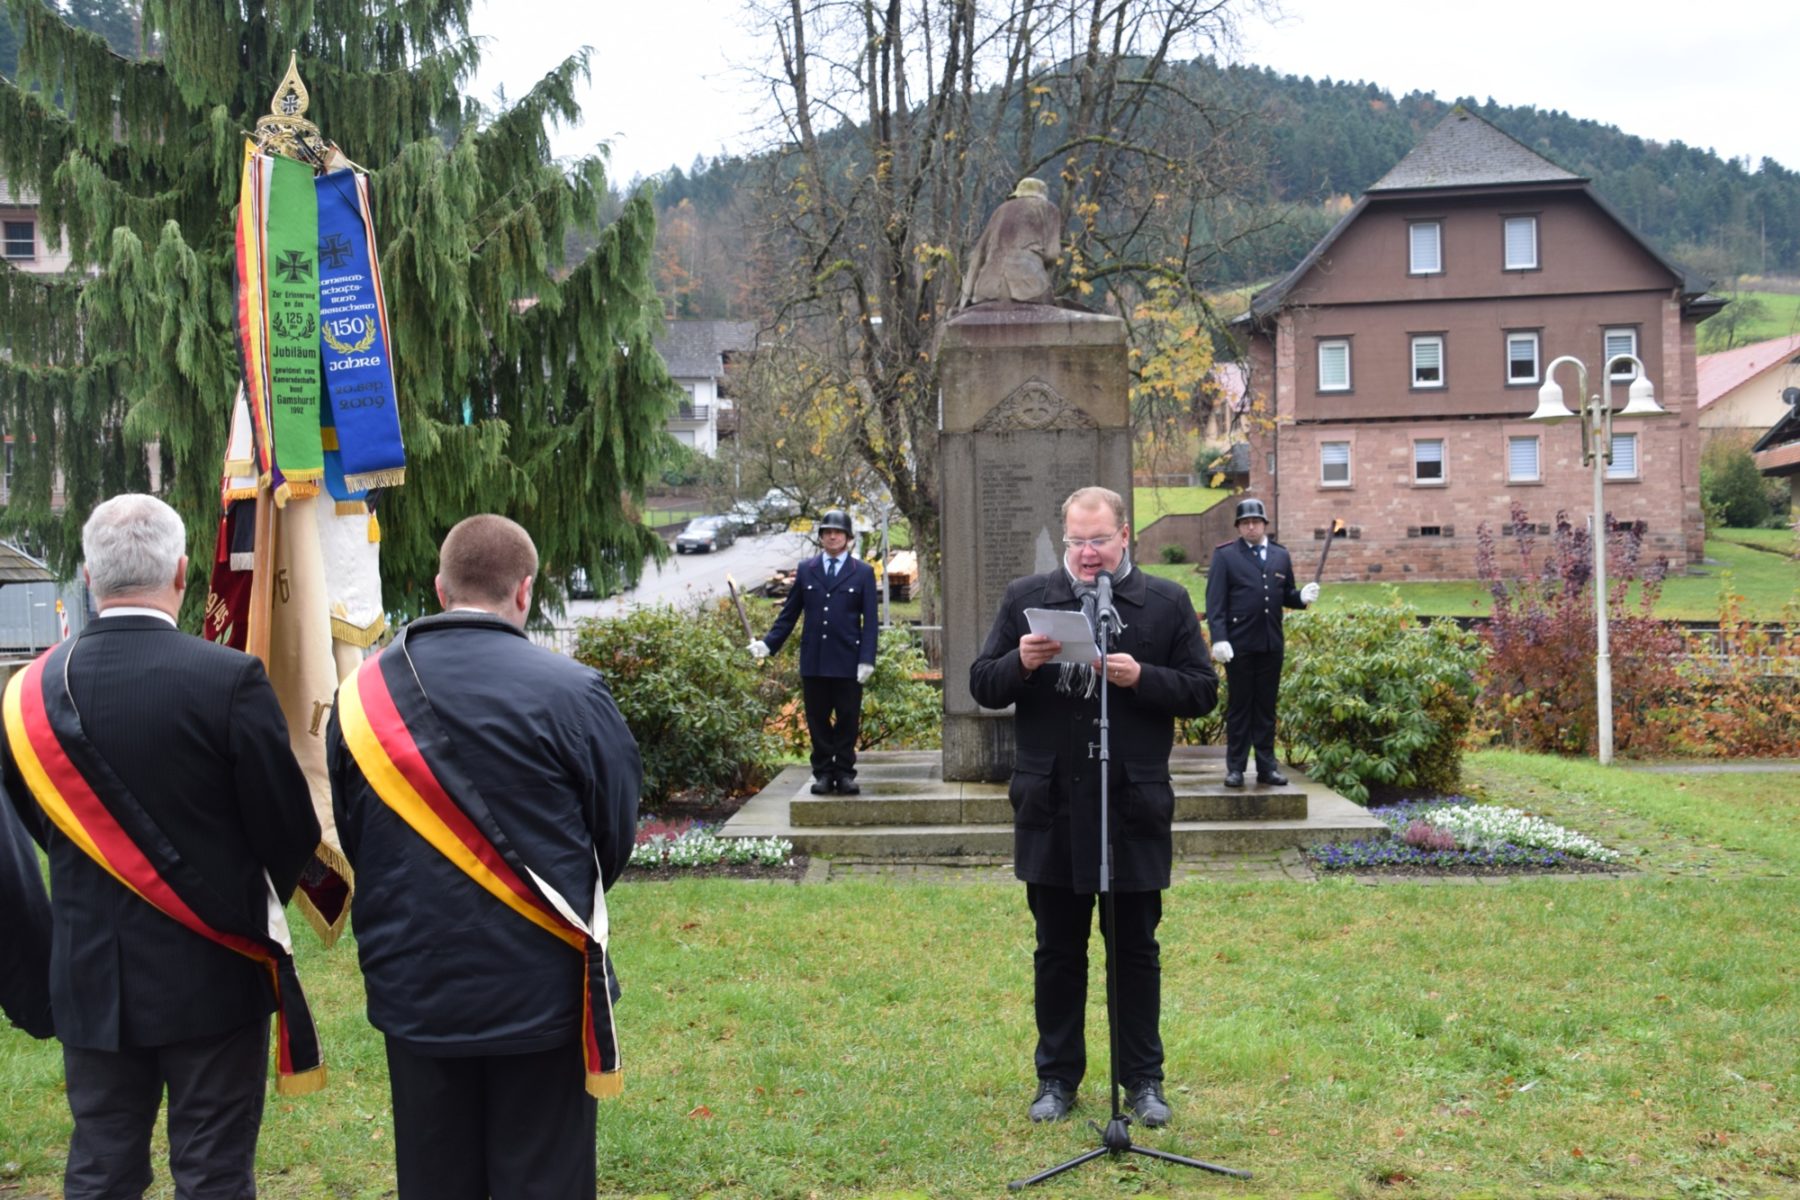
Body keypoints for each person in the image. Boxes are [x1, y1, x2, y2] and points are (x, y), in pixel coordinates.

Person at [1, 493, 321, 1200]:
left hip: (91, 976)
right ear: (182, 573)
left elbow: (40, 821)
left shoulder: (25, 695)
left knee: (101, 1170)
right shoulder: (229, 679)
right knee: (213, 1174)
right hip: (214, 975)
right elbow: (289, 831)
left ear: (89, 577)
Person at [328, 514, 641, 1200]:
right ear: (525, 591)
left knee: (435, 1181)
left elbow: (357, 837)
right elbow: (612, 835)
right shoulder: (575, 692)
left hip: (417, 984)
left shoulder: (358, 699)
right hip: (543, 985)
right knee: (547, 1182)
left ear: (441, 589)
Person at [970, 485, 1217, 1128]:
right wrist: (1021, 663)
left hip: (1130, 805)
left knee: (1134, 951)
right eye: (1077, 541)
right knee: (1057, 951)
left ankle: (1143, 1081)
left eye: (1099, 540)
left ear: (1124, 535)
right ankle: (1056, 1079)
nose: (1087, 553)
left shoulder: (1165, 602)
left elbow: (1202, 692)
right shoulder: (1029, 597)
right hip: (1052, 805)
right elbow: (982, 683)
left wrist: (1143, 678)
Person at [749, 508, 879, 794]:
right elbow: (790, 613)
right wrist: (768, 644)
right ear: (821, 537)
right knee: (817, 719)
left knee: (847, 718)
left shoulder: (863, 573)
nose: (832, 537)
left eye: (838, 532)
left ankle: (844, 772)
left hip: (848, 660)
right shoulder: (807, 569)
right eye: (827, 532)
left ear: (847, 537)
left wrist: (867, 659)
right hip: (815, 659)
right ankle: (823, 773)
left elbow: (870, 622)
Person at [1204, 498, 1320, 789]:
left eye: (1255, 522)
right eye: (1245, 523)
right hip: (1239, 645)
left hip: (1271, 643)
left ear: (1264, 524)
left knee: (1266, 708)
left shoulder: (1280, 555)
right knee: (1240, 707)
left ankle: (1267, 768)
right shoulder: (1226, 556)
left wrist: (1301, 597)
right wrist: (1219, 638)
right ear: (1238, 527)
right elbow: (1215, 601)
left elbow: (1285, 593)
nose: (1251, 527)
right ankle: (1236, 768)